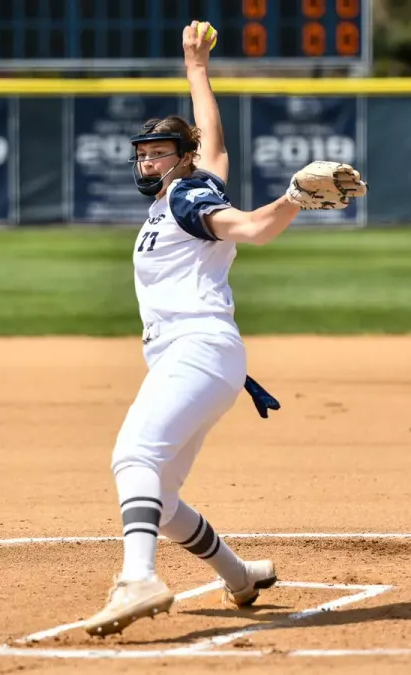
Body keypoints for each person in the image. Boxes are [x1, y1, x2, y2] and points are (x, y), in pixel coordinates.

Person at [81, 20, 366, 638]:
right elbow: (212, 137)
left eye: (158, 152)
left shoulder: (187, 198)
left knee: (132, 456)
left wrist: (289, 200)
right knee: (163, 500)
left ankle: (139, 581)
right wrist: (196, 67)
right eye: (142, 153)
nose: (147, 160)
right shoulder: (181, 192)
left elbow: (251, 229)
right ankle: (243, 578)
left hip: (198, 350)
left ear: (179, 161)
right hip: (195, 358)